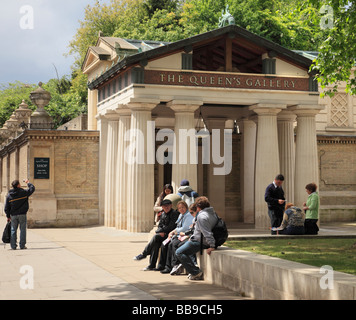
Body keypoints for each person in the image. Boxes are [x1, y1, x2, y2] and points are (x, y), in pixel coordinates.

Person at [175, 196, 218, 281]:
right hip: (199, 239)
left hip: (200, 242)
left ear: (198, 207)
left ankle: (195, 272)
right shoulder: (213, 213)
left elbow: (206, 232)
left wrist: (212, 246)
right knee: (182, 246)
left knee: (179, 252)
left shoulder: (202, 216)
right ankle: (192, 269)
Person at [133, 199, 179, 271]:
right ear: (162, 207)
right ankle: (152, 265)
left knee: (156, 237)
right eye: (164, 206)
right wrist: (160, 231)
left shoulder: (174, 214)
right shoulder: (163, 214)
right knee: (155, 244)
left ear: (171, 206)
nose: (166, 207)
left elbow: (171, 226)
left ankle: (144, 254)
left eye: (168, 206)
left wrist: (162, 232)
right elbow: (159, 226)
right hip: (163, 235)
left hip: (171, 235)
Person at [160, 201, 194, 274]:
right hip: (178, 235)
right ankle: (165, 266)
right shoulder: (181, 215)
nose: (181, 209)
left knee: (172, 244)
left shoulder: (188, 215)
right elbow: (177, 226)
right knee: (165, 244)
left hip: (185, 236)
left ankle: (173, 265)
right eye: (179, 208)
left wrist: (174, 231)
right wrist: (173, 232)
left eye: (182, 207)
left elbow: (184, 228)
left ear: (186, 207)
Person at [5, 179, 35, 250]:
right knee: (23, 230)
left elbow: (6, 207)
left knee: (13, 230)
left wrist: (8, 216)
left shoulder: (9, 195)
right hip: (22, 214)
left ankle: (13, 246)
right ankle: (22, 245)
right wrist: (28, 183)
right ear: (18, 185)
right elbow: (32, 188)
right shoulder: (23, 192)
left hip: (13, 215)